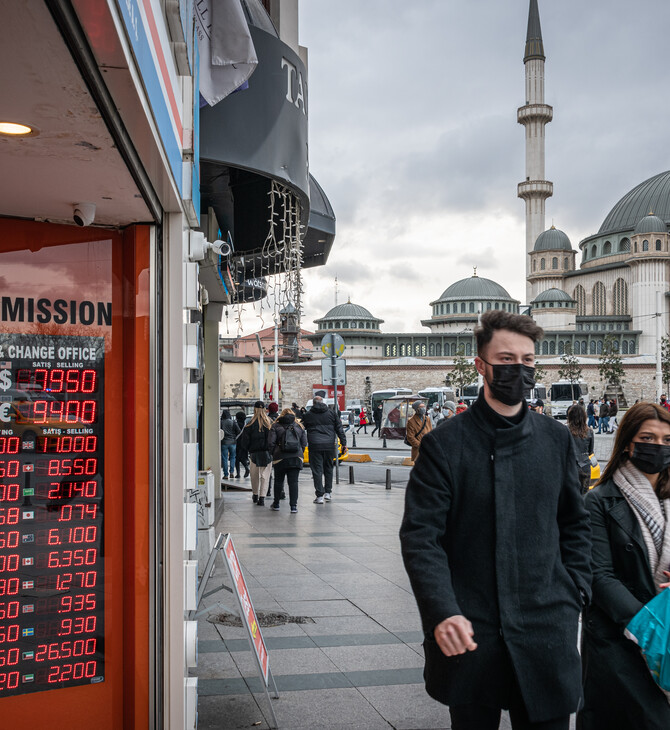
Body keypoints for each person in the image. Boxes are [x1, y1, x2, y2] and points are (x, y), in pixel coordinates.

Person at [400, 310, 591, 730]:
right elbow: (421, 537)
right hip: (470, 626)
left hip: (546, 625)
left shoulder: (555, 439)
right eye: (506, 360)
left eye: (528, 361)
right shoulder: (444, 445)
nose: (519, 370)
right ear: (481, 366)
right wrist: (442, 610)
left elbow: (575, 523)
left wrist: (575, 590)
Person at [579, 402, 670, 729]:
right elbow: (599, 576)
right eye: (648, 437)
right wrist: (652, 630)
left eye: (666, 440)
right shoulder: (600, 500)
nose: (658, 447)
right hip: (621, 641)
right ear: (629, 443)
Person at [301, 395, 347, 503]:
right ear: (323, 402)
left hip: (315, 445)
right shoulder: (331, 413)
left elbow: (302, 428)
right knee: (328, 468)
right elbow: (339, 429)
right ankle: (328, 493)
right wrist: (344, 443)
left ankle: (319, 495)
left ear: (313, 403)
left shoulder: (308, 415)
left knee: (317, 470)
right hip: (329, 445)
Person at [267, 408, 307, 513]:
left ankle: (276, 504)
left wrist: (274, 453)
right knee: (293, 482)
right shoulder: (299, 426)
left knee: (278, 481)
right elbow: (304, 443)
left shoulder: (275, 426)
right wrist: (298, 452)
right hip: (296, 457)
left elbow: (271, 442)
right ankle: (293, 506)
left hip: (280, 457)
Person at [237, 401, 272, 505]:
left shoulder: (250, 423)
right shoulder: (269, 423)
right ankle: (262, 497)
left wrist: (248, 449)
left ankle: (255, 494)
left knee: (254, 475)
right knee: (265, 476)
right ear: (265, 409)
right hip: (267, 453)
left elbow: (244, 441)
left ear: (255, 409)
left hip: (254, 453)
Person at [566, 404, 594, 495]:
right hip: (585, 465)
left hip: (570, 466)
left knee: (570, 496)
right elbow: (590, 451)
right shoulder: (589, 431)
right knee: (584, 495)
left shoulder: (565, 430)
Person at [220, 409, 240, 480]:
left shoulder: (221, 422)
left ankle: (225, 474)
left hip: (224, 442)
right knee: (232, 457)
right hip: (233, 442)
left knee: (224, 458)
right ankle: (232, 472)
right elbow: (239, 431)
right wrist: (234, 437)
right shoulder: (233, 422)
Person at [234, 410, 250, 478]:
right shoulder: (246, 424)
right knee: (243, 457)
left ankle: (238, 473)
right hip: (244, 443)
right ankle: (246, 468)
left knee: (237, 458)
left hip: (237, 442)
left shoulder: (236, 424)